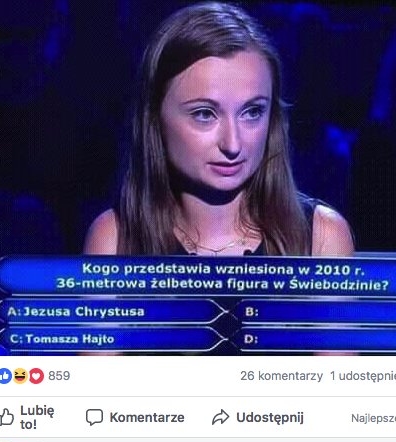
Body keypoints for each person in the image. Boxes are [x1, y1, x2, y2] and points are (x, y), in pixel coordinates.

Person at [84, 2, 353, 256]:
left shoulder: (321, 237)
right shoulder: (114, 239)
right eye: (204, 114)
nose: (233, 144)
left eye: (252, 112)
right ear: (155, 118)